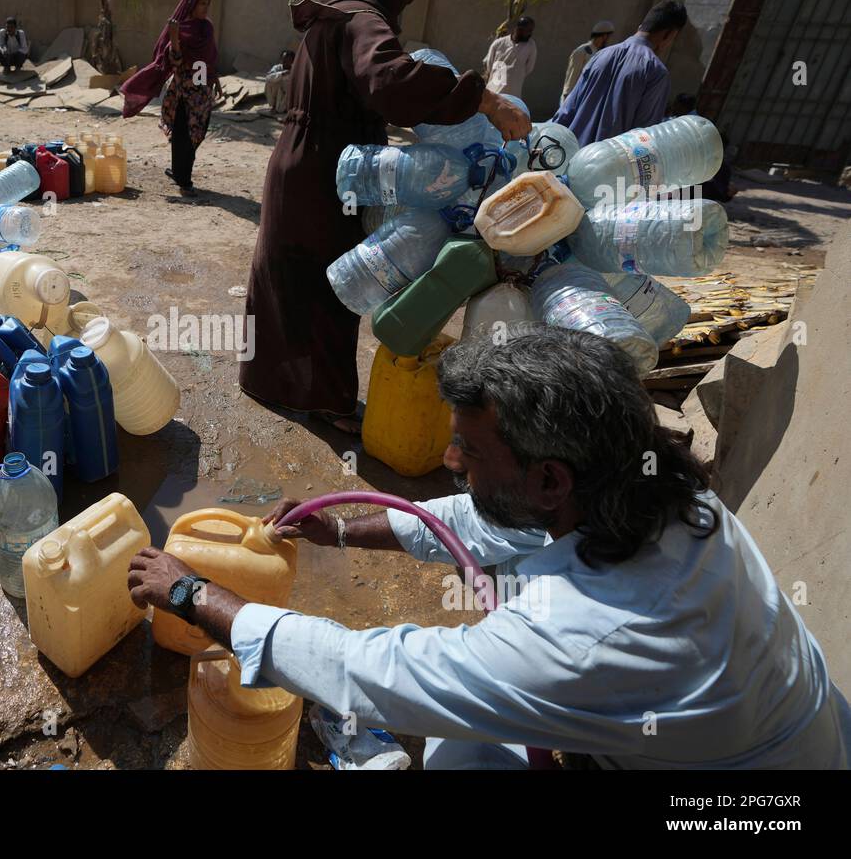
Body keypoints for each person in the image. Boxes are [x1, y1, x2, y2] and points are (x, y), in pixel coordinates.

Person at [130, 325, 851, 769]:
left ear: (548, 479)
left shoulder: (584, 639)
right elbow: (486, 521)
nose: (449, 459)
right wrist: (345, 527)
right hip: (786, 730)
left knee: (459, 749)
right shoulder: (664, 493)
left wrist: (195, 594)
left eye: (468, 448)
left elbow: (368, 673)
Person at [237, 0, 529, 432]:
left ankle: (269, 380)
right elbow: (391, 82)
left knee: (286, 272)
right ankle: (327, 401)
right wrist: (483, 100)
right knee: (335, 281)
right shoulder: (363, 19)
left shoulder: (334, 11)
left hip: (298, 158)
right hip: (332, 167)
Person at [120, 0, 219, 196]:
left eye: (207, 4)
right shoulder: (180, 28)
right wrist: (174, 38)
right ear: (191, 4)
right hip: (184, 91)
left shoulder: (207, 28)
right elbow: (174, 60)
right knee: (184, 133)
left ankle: (179, 172)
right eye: (202, 4)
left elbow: (210, 57)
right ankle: (183, 178)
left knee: (196, 133)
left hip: (202, 91)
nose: (205, 8)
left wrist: (215, 78)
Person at [553, 0, 688, 148]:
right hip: (609, 167)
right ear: (669, 35)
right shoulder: (656, 73)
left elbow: (565, 113)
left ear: (641, 27)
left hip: (569, 158)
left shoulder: (600, 55)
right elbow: (644, 139)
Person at [559, 20, 614, 104]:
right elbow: (573, 74)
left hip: (587, 97)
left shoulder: (602, 53)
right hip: (573, 97)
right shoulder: (582, 51)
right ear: (604, 36)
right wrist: (567, 96)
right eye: (608, 36)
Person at [482, 16, 536, 97]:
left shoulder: (531, 46)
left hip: (513, 94)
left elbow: (529, 68)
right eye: (528, 30)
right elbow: (489, 65)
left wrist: (515, 74)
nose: (530, 33)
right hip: (494, 90)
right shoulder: (498, 44)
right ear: (519, 29)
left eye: (531, 31)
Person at [264, 49, 295, 115]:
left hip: (287, 94)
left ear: (292, 61)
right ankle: (274, 106)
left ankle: (285, 107)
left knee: (281, 109)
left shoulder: (295, 69)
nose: (285, 61)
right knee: (269, 81)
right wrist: (282, 74)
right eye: (283, 59)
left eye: (288, 60)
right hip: (277, 91)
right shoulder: (277, 67)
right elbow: (269, 77)